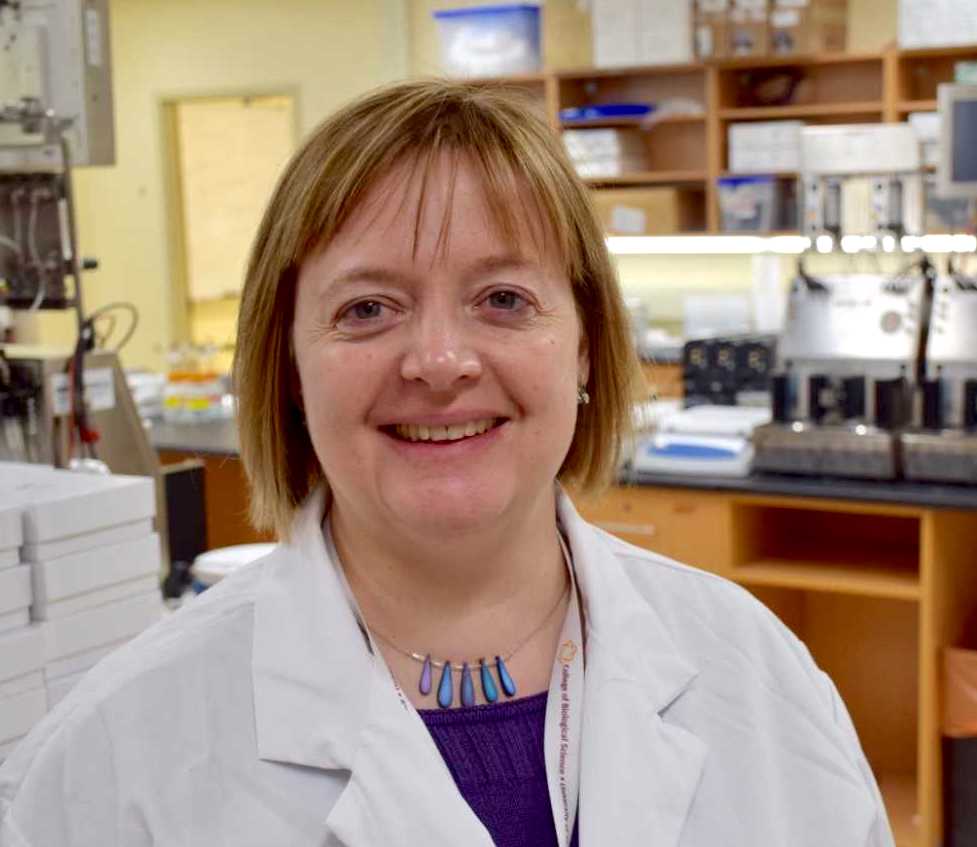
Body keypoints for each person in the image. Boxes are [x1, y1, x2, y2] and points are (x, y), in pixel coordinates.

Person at [0, 79, 893, 847]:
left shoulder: (759, 677)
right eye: (367, 308)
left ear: (585, 345)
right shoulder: (112, 757)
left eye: (502, 298)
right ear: (291, 366)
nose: (438, 361)